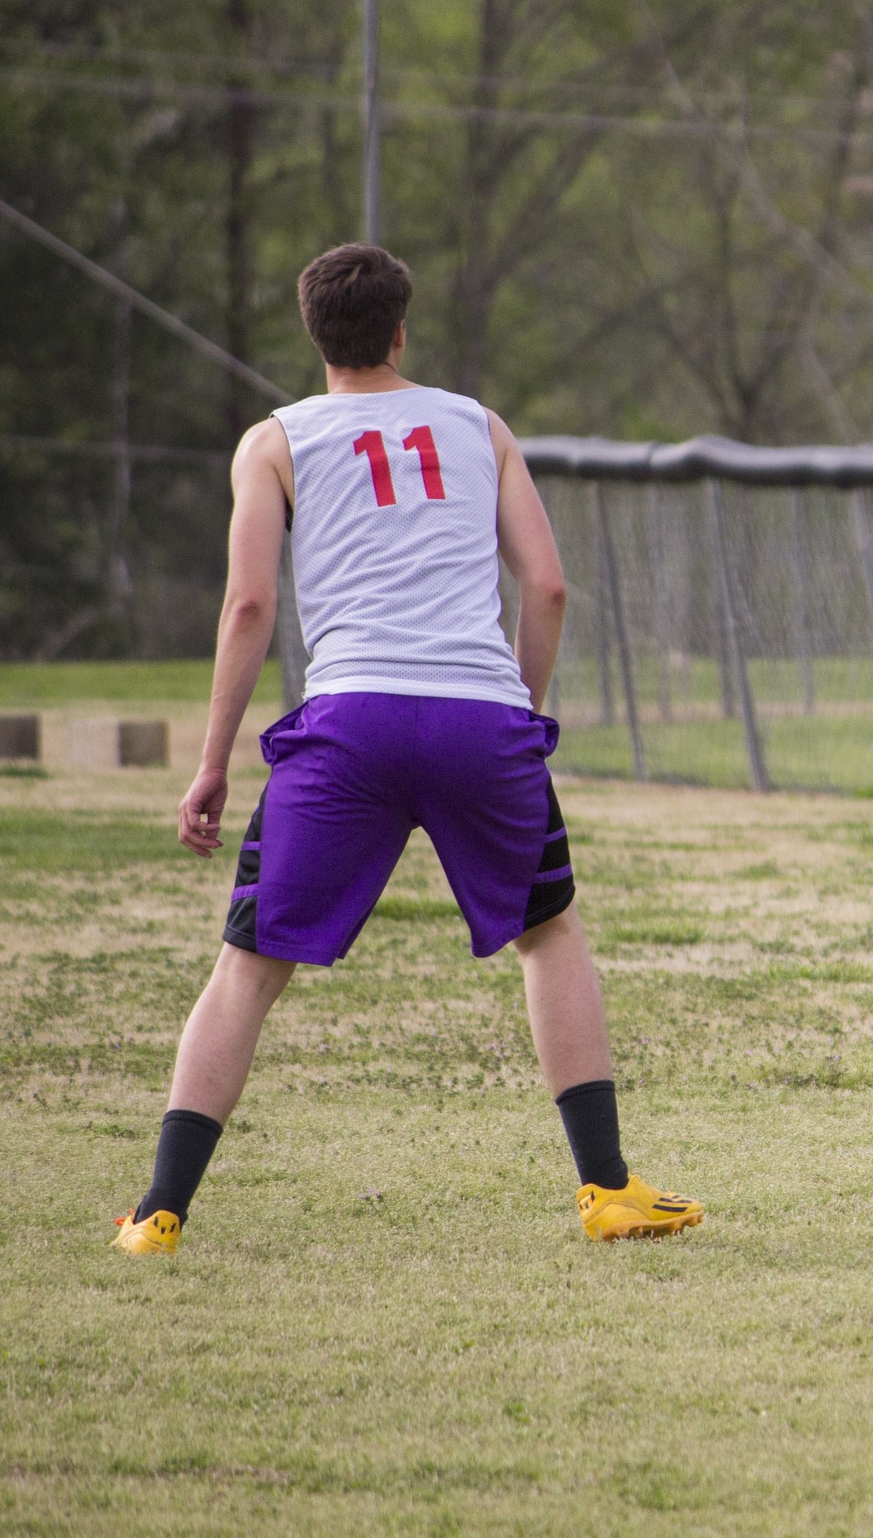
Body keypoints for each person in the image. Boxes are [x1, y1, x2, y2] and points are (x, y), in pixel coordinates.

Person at [110, 243, 701, 1253]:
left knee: (247, 967)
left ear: (316, 335)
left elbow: (250, 601)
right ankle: (607, 1189)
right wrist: (520, 712)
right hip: (480, 714)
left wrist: (211, 760)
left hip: (349, 722)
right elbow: (548, 586)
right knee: (548, 932)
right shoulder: (480, 425)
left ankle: (159, 1211)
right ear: (398, 330)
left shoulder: (274, 440)